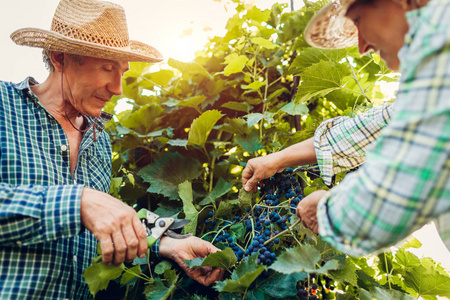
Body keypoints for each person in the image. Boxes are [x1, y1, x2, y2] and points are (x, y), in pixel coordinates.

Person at [1, 0, 223, 298]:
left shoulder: (99, 139)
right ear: (59, 58)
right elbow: (86, 207)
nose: (118, 87)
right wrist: (77, 201)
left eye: (122, 71)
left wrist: (166, 241)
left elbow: (104, 220)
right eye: (107, 68)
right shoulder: (4, 106)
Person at [242, 0, 450, 256]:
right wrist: (278, 159)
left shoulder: (440, 55)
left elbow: (376, 212)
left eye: (359, 20)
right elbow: (376, 126)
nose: (362, 47)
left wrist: (327, 211)